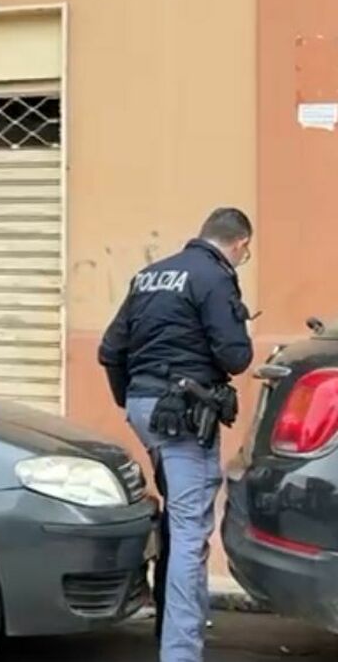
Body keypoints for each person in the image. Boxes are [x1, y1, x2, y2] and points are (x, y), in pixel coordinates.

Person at [99, 207, 255, 662]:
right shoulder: (214, 276)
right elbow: (235, 357)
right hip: (184, 418)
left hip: (147, 410)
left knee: (175, 516)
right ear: (240, 243)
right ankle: (180, 653)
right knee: (190, 529)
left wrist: (133, 400)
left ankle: (167, 626)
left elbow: (111, 349)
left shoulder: (151, 274)